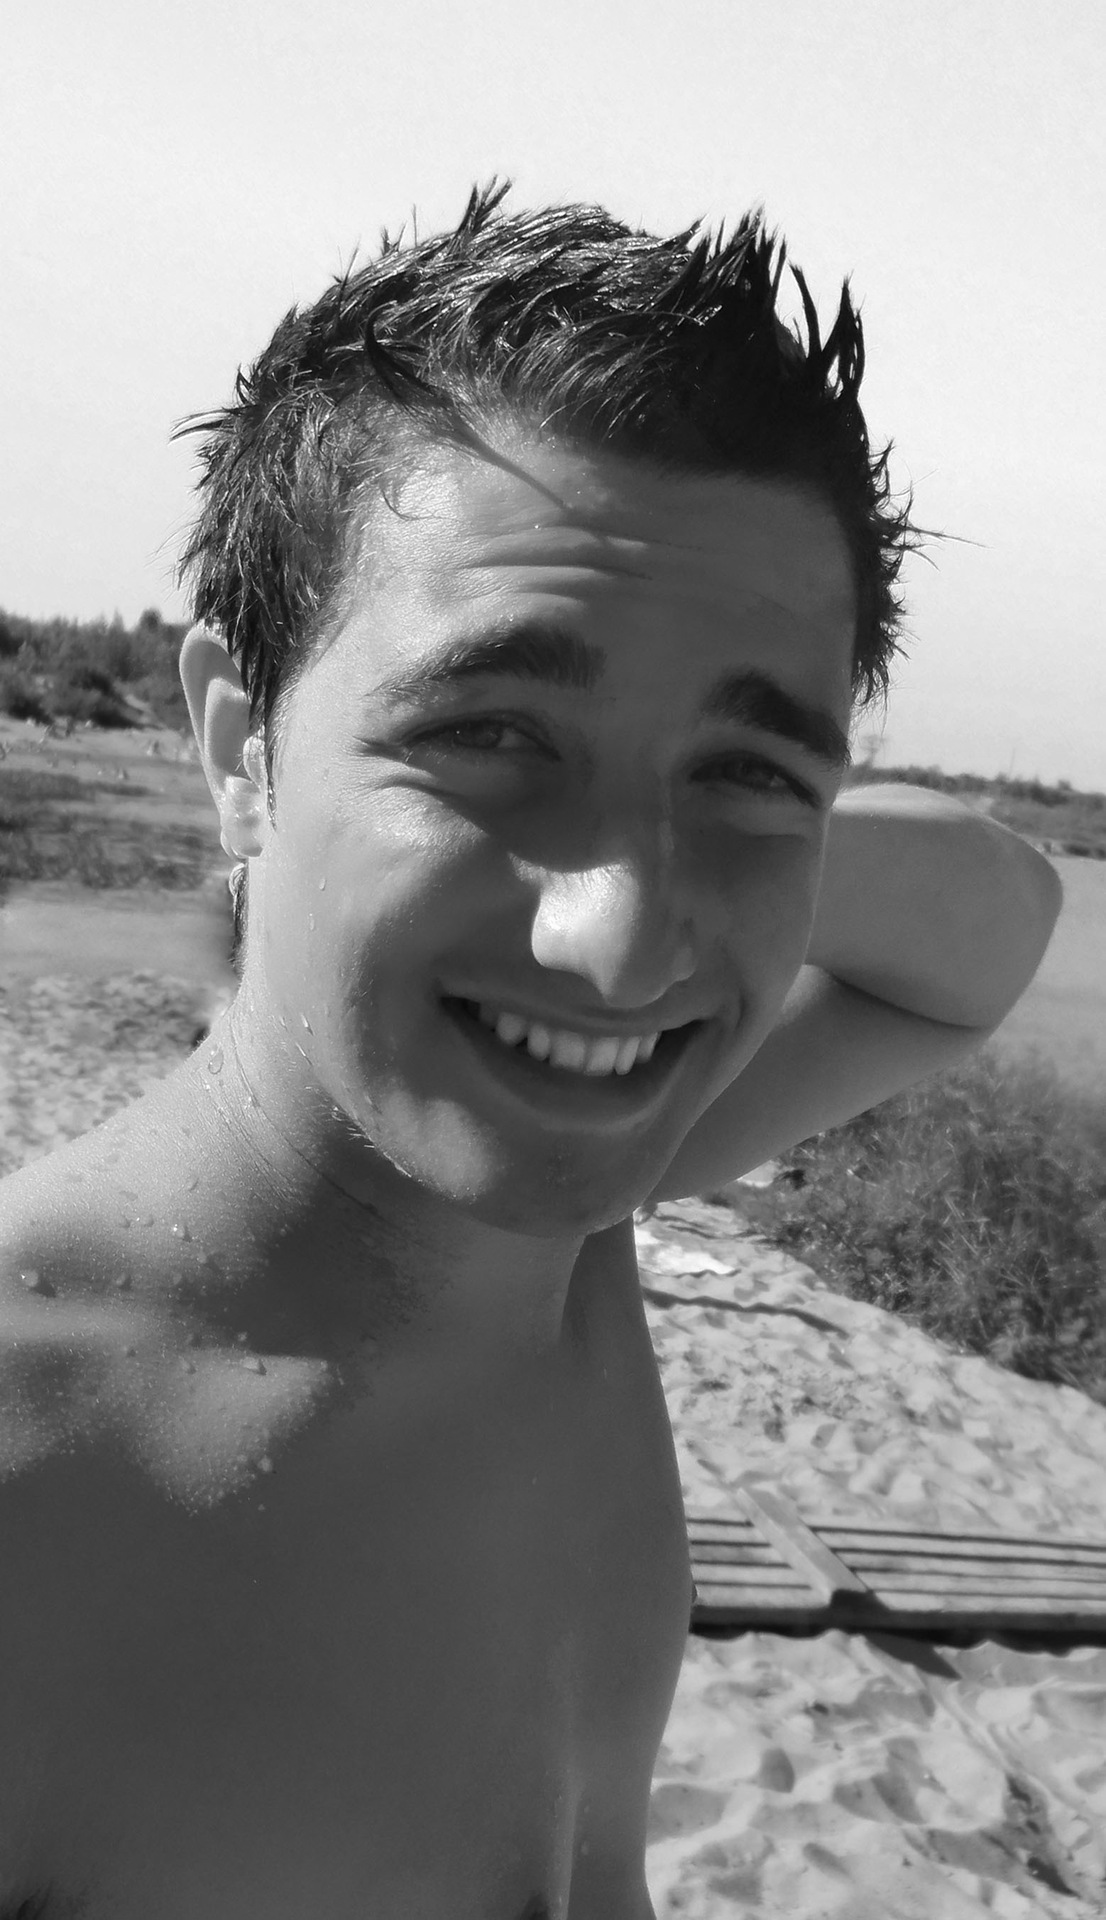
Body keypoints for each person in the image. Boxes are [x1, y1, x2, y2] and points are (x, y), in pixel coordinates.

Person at [0, 185, 1060, 1918]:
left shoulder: (552, 1205)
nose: (618, 942)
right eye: (490, 733)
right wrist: (713, 853)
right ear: (240, 747)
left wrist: (738, 876)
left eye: (752, 770)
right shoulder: (35, 1472)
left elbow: (992, 922)